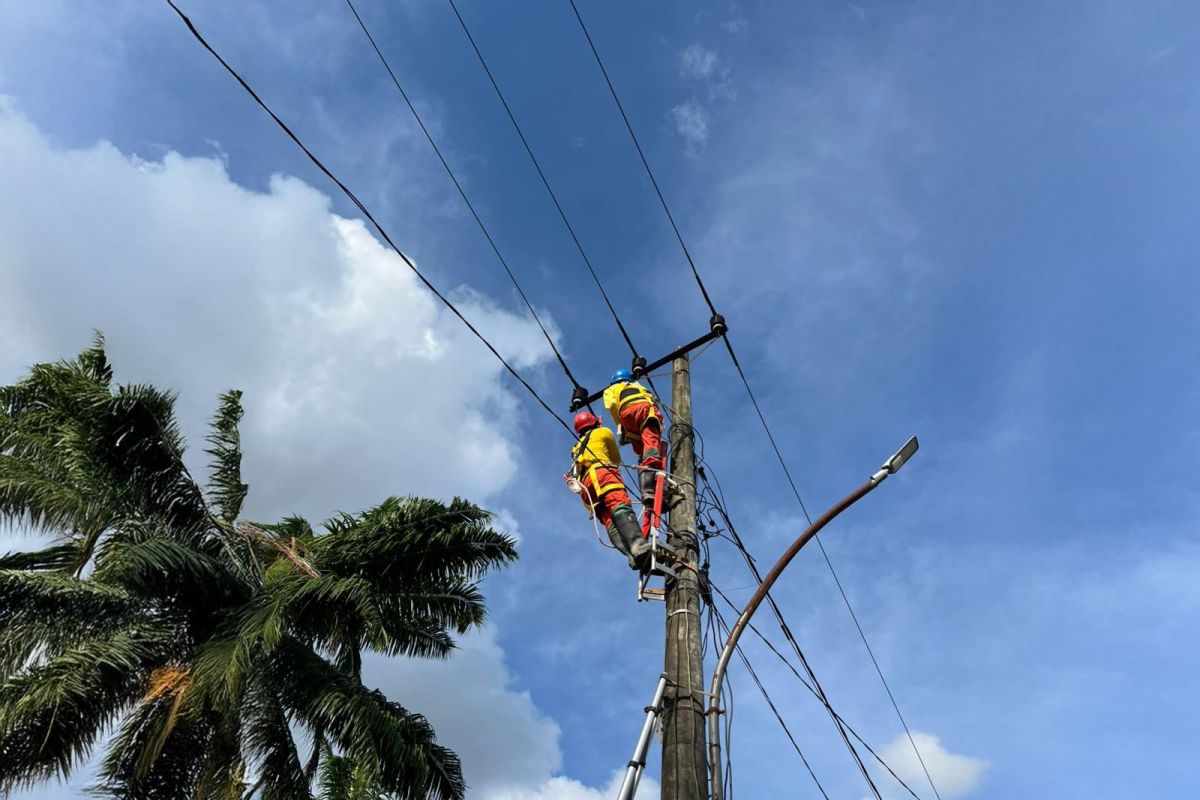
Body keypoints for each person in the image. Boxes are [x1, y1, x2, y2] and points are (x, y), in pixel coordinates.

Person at [570, 410, 649, 570]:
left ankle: (631, 556)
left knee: (608, 519)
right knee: (619, 505)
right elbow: (615, 459)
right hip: (603, 475)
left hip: (587, 488)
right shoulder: (603, 432)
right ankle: (638, 546)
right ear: (594, 422)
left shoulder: (575, 448)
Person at [602, 368, 665, 509]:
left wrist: (620, 425)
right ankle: (653, 486)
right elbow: (652, 400)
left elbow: (612, 405)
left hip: (626, 416)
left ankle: (647, 491)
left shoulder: (611, 389)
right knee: (651, 446)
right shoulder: (637, 385)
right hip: (645, 411)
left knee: (641, 451)